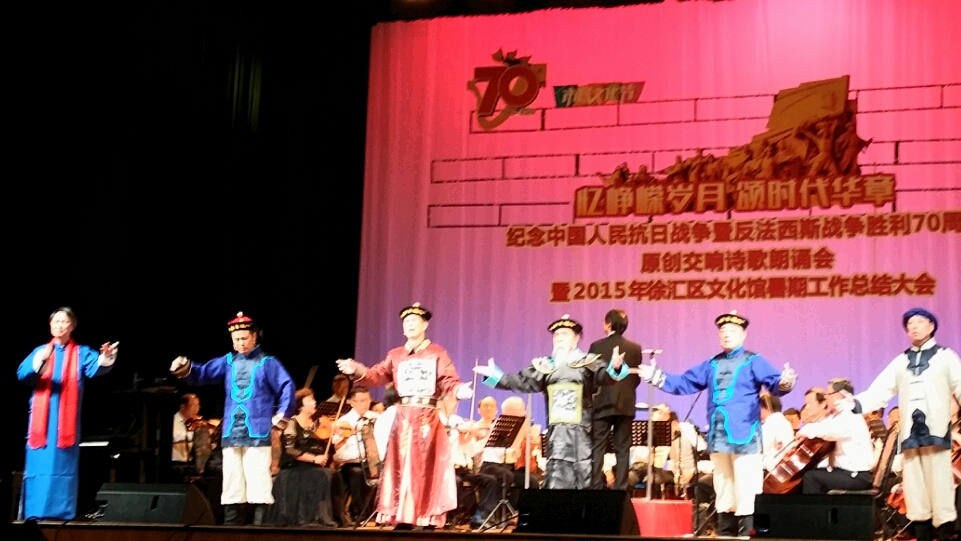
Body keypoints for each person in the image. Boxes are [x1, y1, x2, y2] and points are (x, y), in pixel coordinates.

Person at [636, 310, 796, 537]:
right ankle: (725, 534)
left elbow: (775, 384)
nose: (726, 334)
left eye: (732, 330)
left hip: (745, 437)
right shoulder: (712, 364)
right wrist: (657, 376)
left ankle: (747, 534)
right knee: (723, 489)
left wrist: (785, 380)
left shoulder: (753, 361)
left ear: (743, 335)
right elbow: (684, 383)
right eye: (723, 331)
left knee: (747, 489)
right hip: (719, 438)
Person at [335, 303, 473, 529]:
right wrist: (357, 370)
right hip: (404, 418)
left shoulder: (437, 353)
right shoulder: (396, 355)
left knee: (426, 467)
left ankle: (427, 516)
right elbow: (376, 374)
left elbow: (448, 379)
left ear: (425, 325)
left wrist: (458, 390)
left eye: (414, 321)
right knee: (401, 466)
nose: (409, 325)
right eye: (406, 322)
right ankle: (403, 515)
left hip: (427, 417)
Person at [474, 314, 628, 489]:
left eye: (565, 334)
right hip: (556, 434)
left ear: (576, 339)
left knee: (582, 476)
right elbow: (521, 382)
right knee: (556, 475)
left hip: (581, 433)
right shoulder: (545, 366)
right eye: (556, 335)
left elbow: (605, 376)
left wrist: (615, 368)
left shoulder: (587, 363)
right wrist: (495, 376)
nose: (560, 338)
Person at [846, 308, 961, 541]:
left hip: (937, 435)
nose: (914, 327)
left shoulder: (946, 357)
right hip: (910, 437)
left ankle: (945, 536)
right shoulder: (901, 361)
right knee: (916, 492)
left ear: (931, 326)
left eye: (919, 322)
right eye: (910, 324)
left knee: (941, 489)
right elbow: (881, 390)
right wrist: (855, 402)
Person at [170, 312, 295, 526]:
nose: (241, 343)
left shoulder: (267, 363)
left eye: (244, 338)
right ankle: (231, 529)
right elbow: (203, 373)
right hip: (231, 432)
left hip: (257, 431)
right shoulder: (228, 361)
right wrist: (185, 367)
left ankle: (259, 530)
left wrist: (280, 419)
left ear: (254, 337)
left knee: (258, 482)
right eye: (236, 339)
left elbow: (287, 387)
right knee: (231, 482)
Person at [17, 307, 119, 521]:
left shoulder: (80, 352)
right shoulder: (41, 351)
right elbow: (23, 375)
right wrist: (41, 362)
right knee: (38, 468)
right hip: (40, 425)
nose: (59, 326)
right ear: (50, 326)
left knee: (63, 468)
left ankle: (61, 514)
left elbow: (96, 368)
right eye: (56, 322)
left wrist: (107, 356)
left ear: (72, 326)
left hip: (65, 425)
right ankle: (34, 514)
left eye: (64, 322)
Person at [268, 388, 345, 528]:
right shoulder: (292, 423)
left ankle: (335, 516)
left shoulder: (316, 425)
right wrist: (314, 459)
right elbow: (291, 450)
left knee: (335, 475)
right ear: (300, 405)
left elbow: (325, 448)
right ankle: (315, 517)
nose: (314, 402)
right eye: (309, 400)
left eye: (313, 399)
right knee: (323, 476)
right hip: (295, 468)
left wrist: (339, 437)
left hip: (313, 467)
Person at [588, 309, 643, 490]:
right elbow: (636, 379)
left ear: (609, 324)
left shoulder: (596, 346)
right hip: (626, 403)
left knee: (598, 446)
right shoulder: (635, 348)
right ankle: (621, 489)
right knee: (623, 448)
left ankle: (595, 487)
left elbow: (592, 376)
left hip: (602, 402)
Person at [798, 379, 875, 494]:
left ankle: (815, 507)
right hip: (846, 472)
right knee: (812, 472)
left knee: (811, 477)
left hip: (857, 475)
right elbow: (825, 425)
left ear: (839, 395)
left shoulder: (850, 414)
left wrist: (804, 430)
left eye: (828, 394)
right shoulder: (839, 415)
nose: (826, 397)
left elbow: (828, 431)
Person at [760, 393, 795, 472]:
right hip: (781, 467)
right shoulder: (783, 421)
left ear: (767, 407)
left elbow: (761, 449)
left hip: (771, 469)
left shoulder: (771, 423)